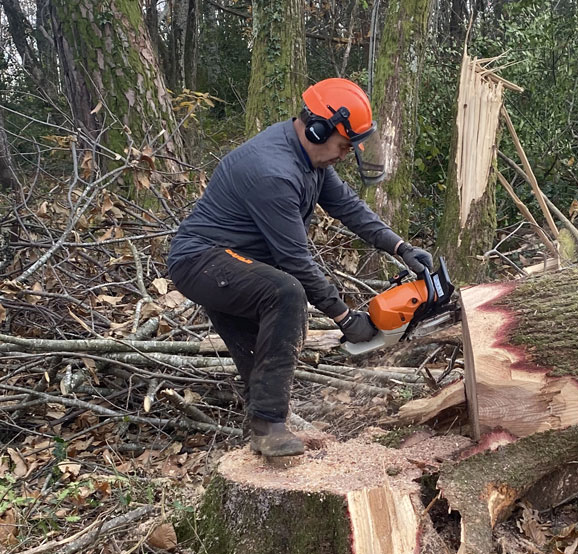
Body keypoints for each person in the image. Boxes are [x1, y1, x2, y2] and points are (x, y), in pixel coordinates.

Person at [167, 78, 433, 458]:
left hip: (236, 261)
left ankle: (268, 427)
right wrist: (345, 318)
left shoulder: (311, 159)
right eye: (343, 146)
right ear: (317, 129)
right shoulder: (272, 172)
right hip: (202, 260)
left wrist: (400, 247)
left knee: (259, 355)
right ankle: (270, 426)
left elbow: (349, 207)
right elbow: (295, 260)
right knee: (286, 292)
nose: (344, 154)